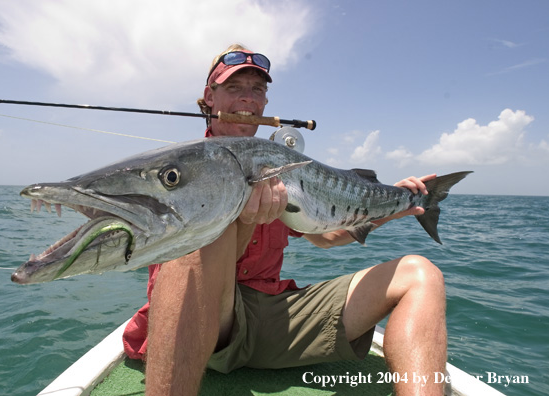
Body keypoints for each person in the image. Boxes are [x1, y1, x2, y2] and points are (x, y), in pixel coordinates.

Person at [122, 44, 447, 396]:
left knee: (420, 275)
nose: (247, 98)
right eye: (233, 88)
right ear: (209, 97)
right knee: (195, 242)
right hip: (206, 323)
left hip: (273, 318)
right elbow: (196, 271)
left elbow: (325, 237)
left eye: (257, 90)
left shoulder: (281, 166)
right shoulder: (179, 171)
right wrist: (244, 221)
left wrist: (392, 205)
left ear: (264, 103)